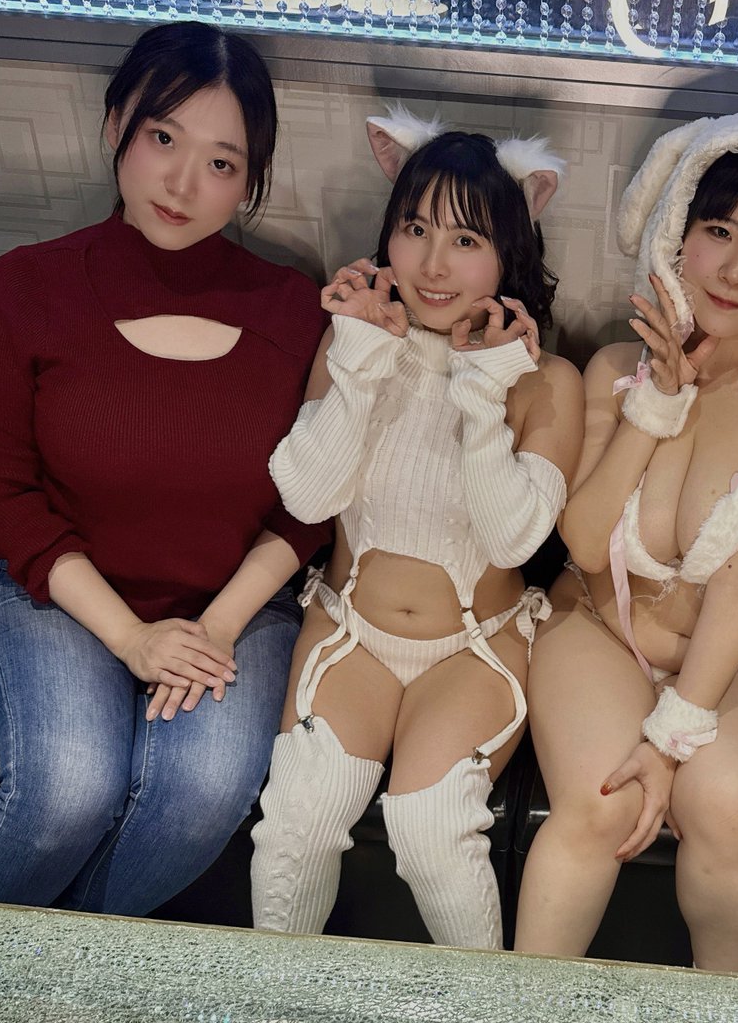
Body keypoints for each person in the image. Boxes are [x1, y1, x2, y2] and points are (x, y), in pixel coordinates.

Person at [513, 96, 738, 971]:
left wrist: (670, 738)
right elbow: (585, 540)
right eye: (719, 230)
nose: (736, 268)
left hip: (729, 661)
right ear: (678, 229)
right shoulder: (615, 368)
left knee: (732, 813)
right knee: (600, 802)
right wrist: (657, 401)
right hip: (597, 630)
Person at [0, 20, 329, 915]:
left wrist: (214, 627)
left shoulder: (293, 309)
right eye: (162, 138)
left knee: (201, 793)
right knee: (67, 790)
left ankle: (71, 974)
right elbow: (4, 495)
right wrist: (133, 640)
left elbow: (312, 503)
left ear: (249, 179)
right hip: (58, 594)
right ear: (115, 127)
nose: (182, 183)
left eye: (221, 162)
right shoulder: (24, 287)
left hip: (236, 609)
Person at [249, 107, 584, 949]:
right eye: (415, 229)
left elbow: (511, 541)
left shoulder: (549, 380)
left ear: (510, 249)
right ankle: (274, 1002)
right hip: (349, 632)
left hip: (474, 646)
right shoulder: (355, 343)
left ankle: (484, 1007)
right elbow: (307, 495)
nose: (433, 264)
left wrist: (483, 388)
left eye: (466, 240)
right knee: (295, 825)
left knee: (430, 830)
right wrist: (359, 362)